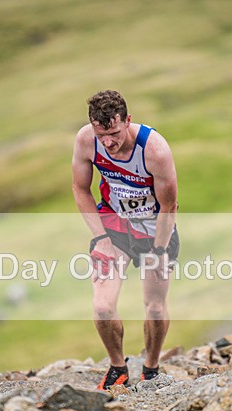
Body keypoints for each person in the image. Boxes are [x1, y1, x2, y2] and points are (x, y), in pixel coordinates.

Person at [71, 90, 180, 390]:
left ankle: (151, 368)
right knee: (103, 307)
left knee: (155, 305)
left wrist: (158, 250)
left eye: (115, 133)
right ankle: (118, 367)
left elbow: (169, 206)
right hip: (114, 229)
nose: (107, 142)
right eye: (101, 133)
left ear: (128, 121)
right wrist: (101, 238)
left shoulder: (154, 149)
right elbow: (81, 189)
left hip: (153, 230)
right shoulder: (85, 140)